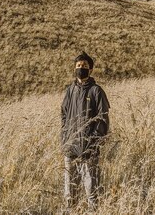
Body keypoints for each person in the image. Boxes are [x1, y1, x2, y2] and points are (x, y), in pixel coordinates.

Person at [60, 51, 110, 213]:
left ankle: (93, 211)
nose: (81, 68)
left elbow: (103, 118)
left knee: (91, 186)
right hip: (70, 146)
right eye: (79, 66)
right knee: (70, 185)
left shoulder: (97, 91)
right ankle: (70, 211)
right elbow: (64, 114)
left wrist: (94, 142)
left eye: (85, 66)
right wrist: (64, 137)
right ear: (74, 68)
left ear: (91, 70)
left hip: (89, 147)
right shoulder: (70, 90)